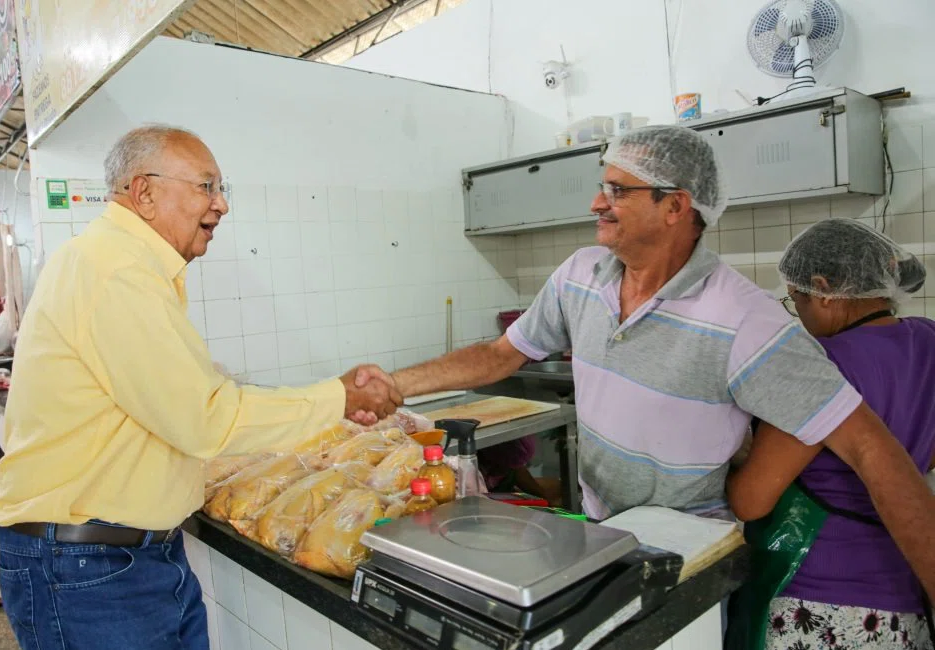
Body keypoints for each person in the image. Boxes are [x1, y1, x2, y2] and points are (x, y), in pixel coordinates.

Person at [362, 125, 935, 600]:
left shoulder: (747, 319)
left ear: (675, 206)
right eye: (601, 187)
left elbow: (869, 447)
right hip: (600, 534)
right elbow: (498, 354)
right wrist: (394, 383)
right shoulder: (580, 275)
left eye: (617, 190)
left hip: (687, 557)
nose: (595, 203)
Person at [0, 125, 401, 650]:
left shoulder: (126, 266)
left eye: (221, 189)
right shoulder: (113, 269)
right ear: (144, 192)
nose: (222, 205)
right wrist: (340, 397)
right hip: (85, 567)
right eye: (206, 186)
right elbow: (205, 418)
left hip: (124, 556)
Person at [727, 219, 934, 650]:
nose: (797, 311)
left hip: (822, 606)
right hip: (905, 601)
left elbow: (752, 500)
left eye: (796, 298)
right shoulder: (928, 340)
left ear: (823, 288)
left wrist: (735, 455)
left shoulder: (819, 367)